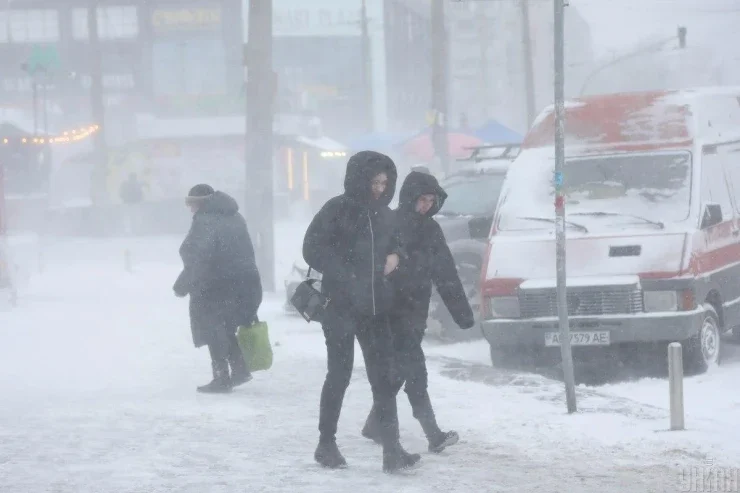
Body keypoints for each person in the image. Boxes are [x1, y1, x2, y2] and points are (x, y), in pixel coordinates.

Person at [302, 150, 421, 473]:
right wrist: (346, 273)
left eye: (385, 182)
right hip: (340, 307)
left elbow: (398, 244)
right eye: (375, 182)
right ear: (360, 179)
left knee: (383, 378)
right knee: (339, 374)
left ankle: (392, 449)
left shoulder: (385, 214)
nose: (381, 189)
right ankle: (326, 443)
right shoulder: (337, 209)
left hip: (375, 308)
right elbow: (311, 248)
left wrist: (396, 255)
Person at [361, 170, 475, 453]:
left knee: (400, 371)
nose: (426, 205)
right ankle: (433, 434)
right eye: (422, 199)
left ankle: (376, 424)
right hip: (390, 311)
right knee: (414, 371)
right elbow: (373, 266)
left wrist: (461, 313)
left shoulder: (431, 230)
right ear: (410, 197)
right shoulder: (390, 223)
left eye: (430, 200)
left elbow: (446, 273)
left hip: (415, 313)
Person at [173, 184, 262, 393]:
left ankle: (221, 378)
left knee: (213, 329)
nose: (190, 208)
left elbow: (199, 258)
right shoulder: (235, 217)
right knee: (227, 326)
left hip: (215, 283)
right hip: (243, 281)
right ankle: (240, 370)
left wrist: (182, 285)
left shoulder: (205, 221)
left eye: (191, 203)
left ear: (200, 202)